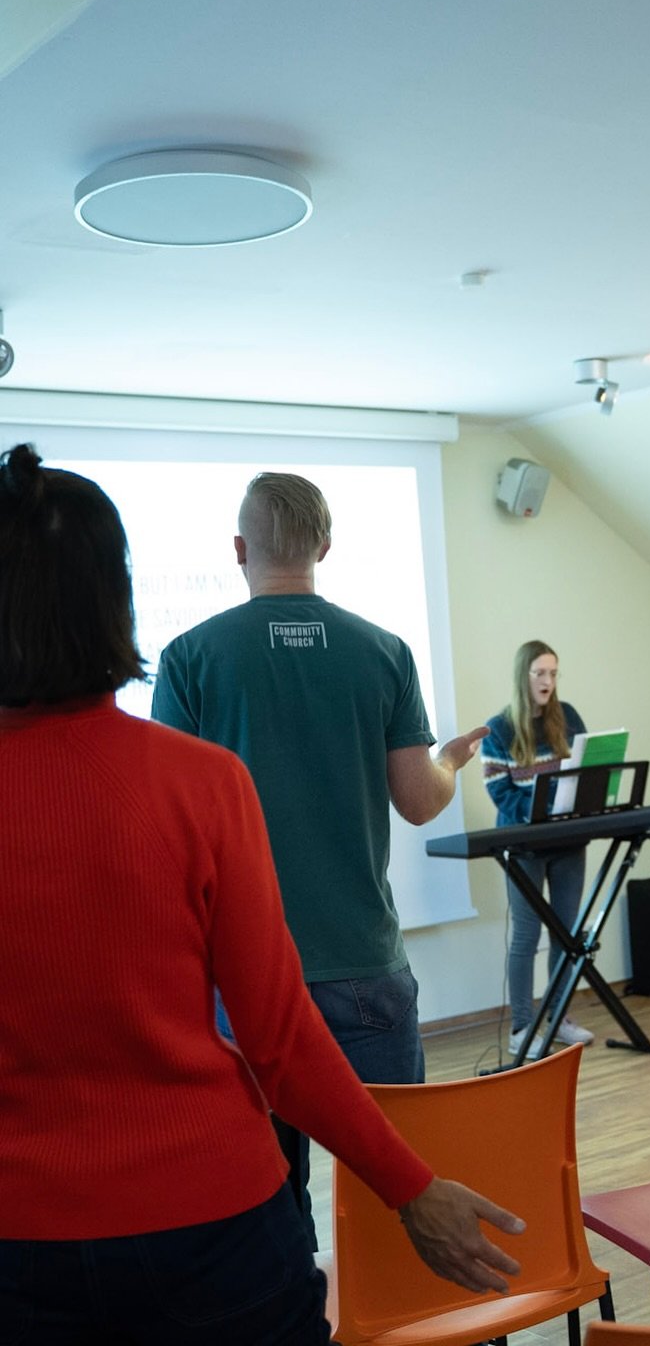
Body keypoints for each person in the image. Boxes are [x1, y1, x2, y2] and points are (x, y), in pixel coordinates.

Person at [0, 445, 523, 1345]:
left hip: (20, 1235)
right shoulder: (207, 776)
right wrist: (412, 1188)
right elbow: (280, 1039)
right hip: (215, 1211)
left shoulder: (197, 661)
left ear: (241, 549)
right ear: (113, 594)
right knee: (385, 1246)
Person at [152, 471, 485, 1248]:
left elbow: (174, 819)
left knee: (269, 1204)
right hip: (367, 968)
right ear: (325, 548)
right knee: (402, 1194)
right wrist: (451, 764)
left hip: (245, 979)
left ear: (240, 549)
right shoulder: (384, 651)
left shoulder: (190, 656)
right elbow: (419, 800)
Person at [482, 640, 595, 1059]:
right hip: (524, 849)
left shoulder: (569, 720)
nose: (548, 681)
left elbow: (585, 775)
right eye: (540, 673)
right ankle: (523, 1026)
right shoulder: (498, 730)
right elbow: (504, 799)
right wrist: (550, 804)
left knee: (567, 934)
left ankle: (558, 1017)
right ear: (523, 677)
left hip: (568, 843)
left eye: (553, 673)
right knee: (526, 938)